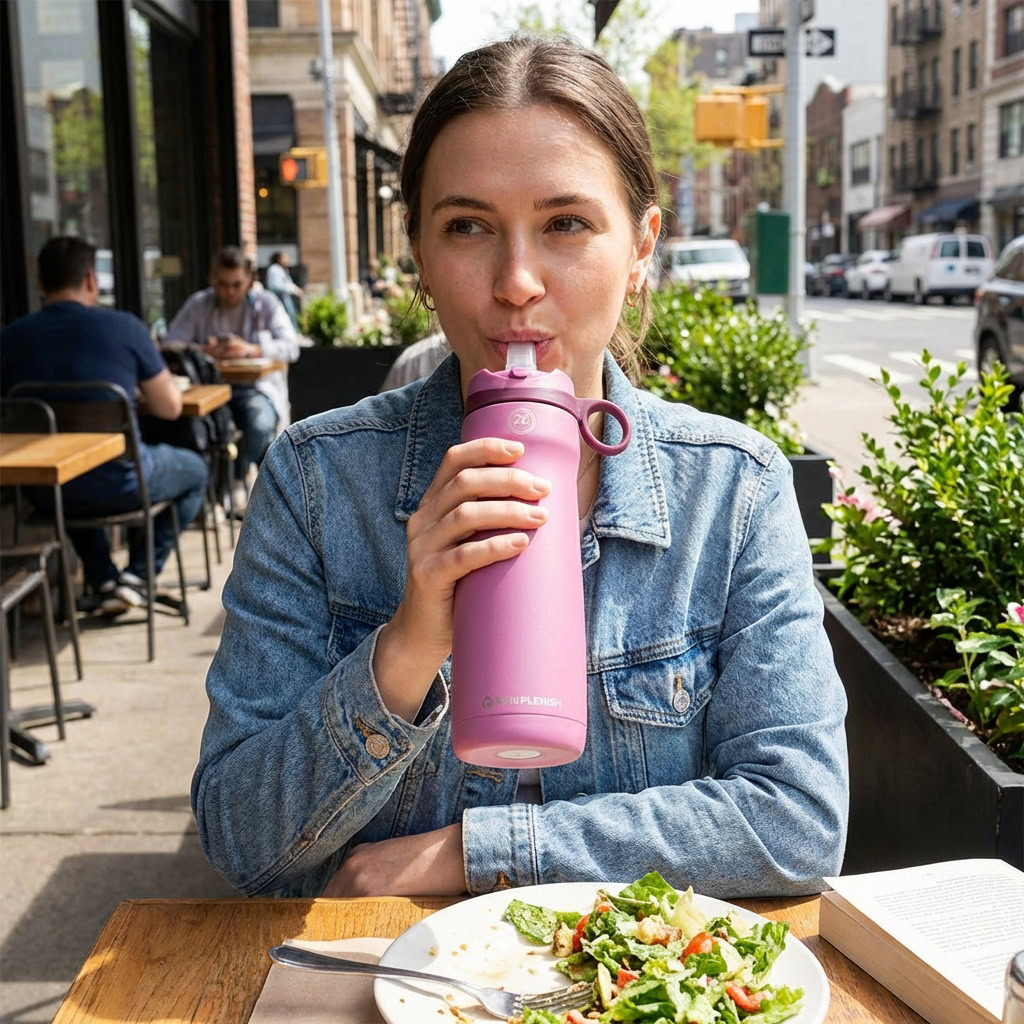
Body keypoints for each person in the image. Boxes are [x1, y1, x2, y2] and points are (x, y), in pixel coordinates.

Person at [192, 36, 849, 901]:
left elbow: (797, 819)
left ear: (642, 246)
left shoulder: (732, 489)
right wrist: (405, 650)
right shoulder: (317, 482)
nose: (516, 282)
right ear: (420, 257)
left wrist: (478, 852)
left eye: (565, 224)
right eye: (468, 227)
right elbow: (238, 839)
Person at [0, 236, 209, 615]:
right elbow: (169, 407)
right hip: (123, 483)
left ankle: (105, 579)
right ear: (92, 280)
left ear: (40, 282)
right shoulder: (125, 328)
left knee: (77, 485)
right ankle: (138, 576)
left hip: (45, 490)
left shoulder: (9, 338)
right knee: (195, 469)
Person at [164, 246, 299, 509]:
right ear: (213, 279)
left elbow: (291, 347)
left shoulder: (266, 303)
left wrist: (250, 349)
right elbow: (171, 344)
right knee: (188, 428)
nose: (230, 292)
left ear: (250, 279)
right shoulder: (199, 304)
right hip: (210, 390)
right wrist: (204, 350)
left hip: (255, 388)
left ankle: (235, 481)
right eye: (223, 284)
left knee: (259, 422)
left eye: (237, 284)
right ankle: (208, 494)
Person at [265, 251, 303, 328]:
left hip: (284, 300)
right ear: (279, 259)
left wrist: (295, 289)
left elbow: (288, 284)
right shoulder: (274, 269)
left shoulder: (282, 270)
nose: (288, 259)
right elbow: (276, 286)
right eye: (285, 257)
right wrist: (293, 290)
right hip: (278, 302)